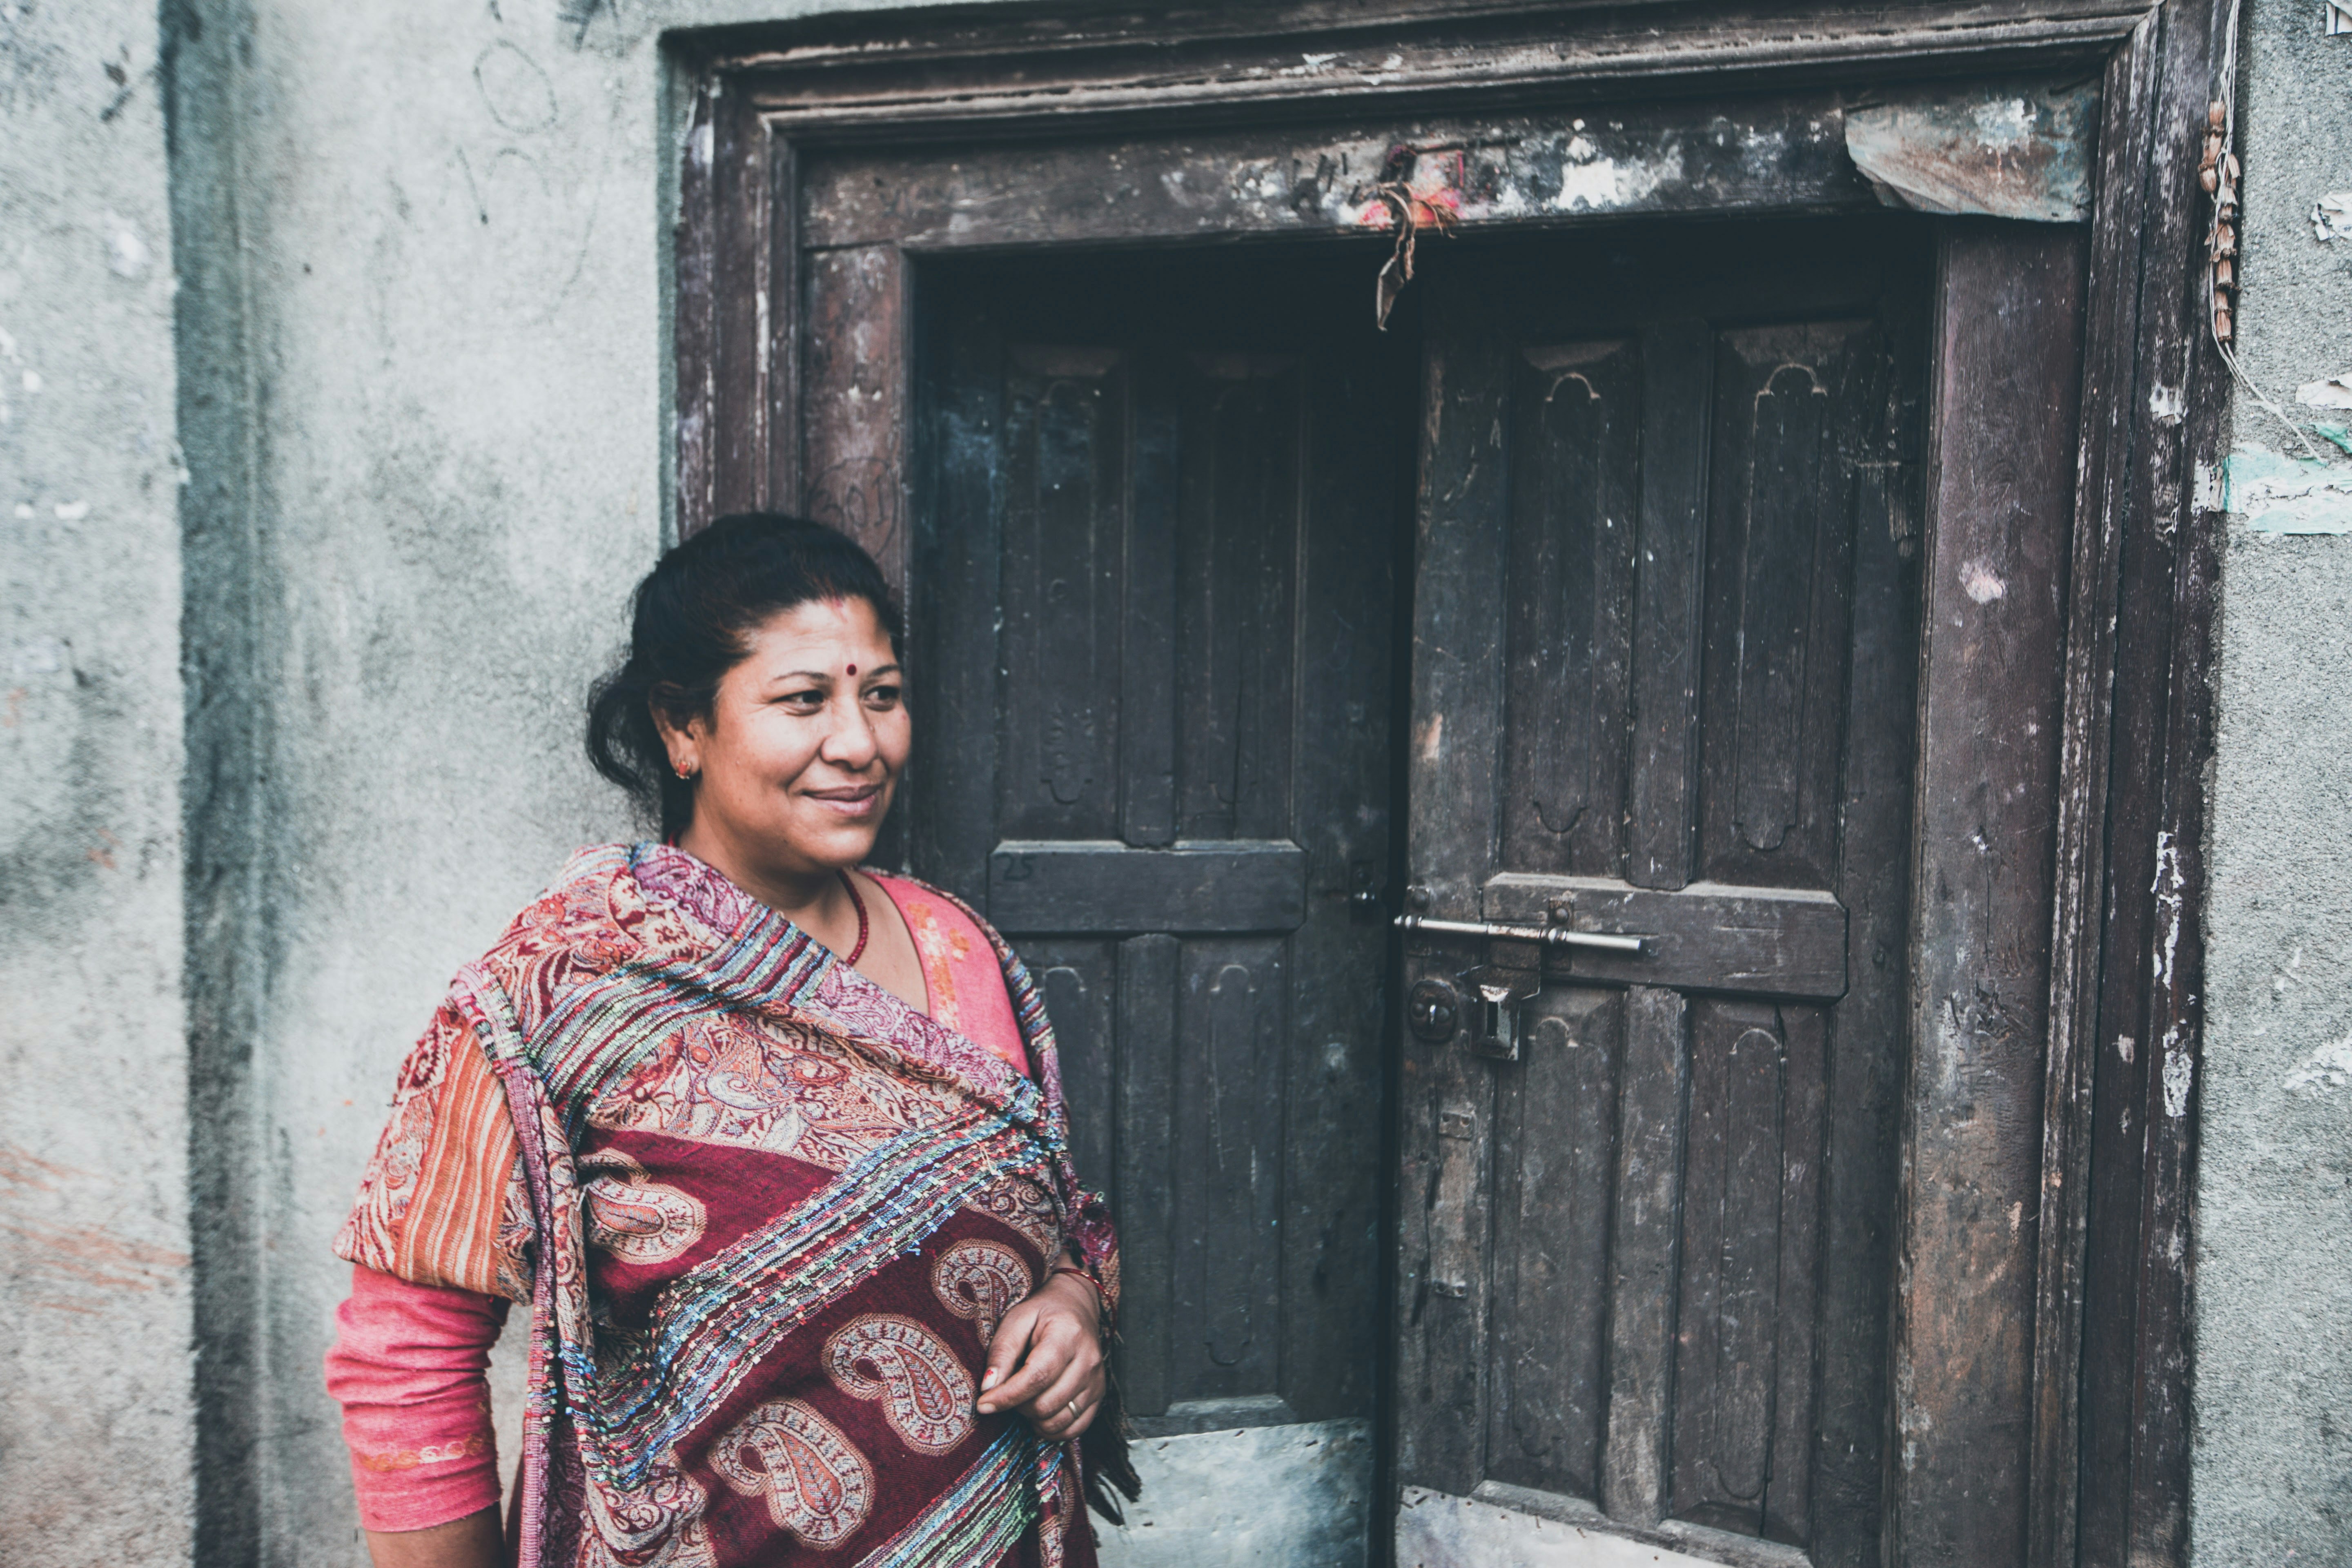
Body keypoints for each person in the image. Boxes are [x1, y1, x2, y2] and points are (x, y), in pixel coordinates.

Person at [323, 514, 1133, 1568]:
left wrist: (1074, 1304)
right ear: (683, 729)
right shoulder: (560, 993)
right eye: (805, 701)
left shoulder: (957, 946)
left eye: (880, 695)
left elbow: (1058, 1219)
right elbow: (408, 1352)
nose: (861, 743)